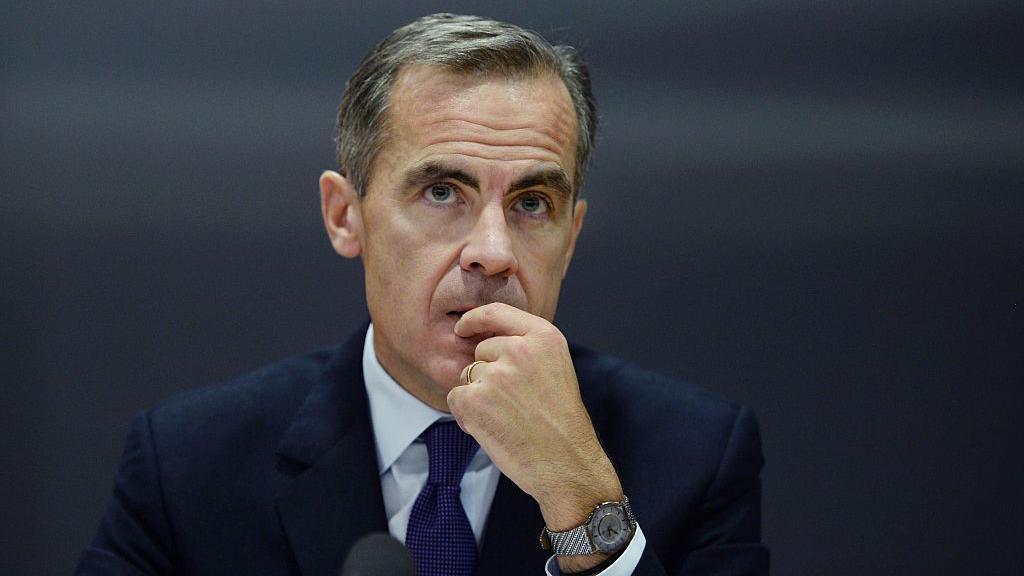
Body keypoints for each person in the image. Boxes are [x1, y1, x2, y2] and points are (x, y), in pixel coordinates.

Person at [75, 13, 768, 576]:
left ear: (573, 234)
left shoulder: (694, 454)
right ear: (346, 214)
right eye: (442, 192)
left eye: (532, 203)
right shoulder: (192, 463)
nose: (493, 253)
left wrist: (583, 504)